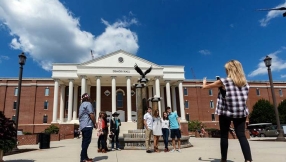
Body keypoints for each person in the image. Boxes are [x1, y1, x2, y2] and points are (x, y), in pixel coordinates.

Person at [202, 60, 252, 162]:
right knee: (241, 135)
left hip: (226, 111)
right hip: (240, 112)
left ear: (229, 70)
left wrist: (204, 82)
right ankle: (248, 159)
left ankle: (223, 159)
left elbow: (205, 87)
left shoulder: (223, 81)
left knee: (224, 136)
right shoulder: (245, 84)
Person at [78, 93, 96, 162]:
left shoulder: (81, 105)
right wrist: (95, 123)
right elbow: (91, 114)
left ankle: (85, 157)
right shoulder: (88, 104)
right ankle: (83, 158)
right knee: (86, 142)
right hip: (88, 125)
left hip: (83, 126)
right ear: (88, 98)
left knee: (84, 142)